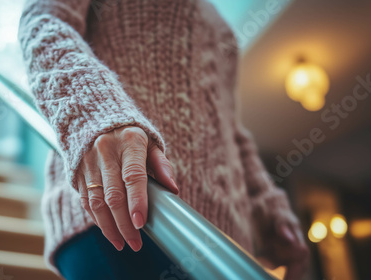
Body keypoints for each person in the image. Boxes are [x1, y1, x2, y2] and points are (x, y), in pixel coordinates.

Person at [18, 0, 309, 279]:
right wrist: (96, 112)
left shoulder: (217, 20)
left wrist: (270, 206)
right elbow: (44, 22)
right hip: (125, 208)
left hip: (223, 243)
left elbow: (232, 131)